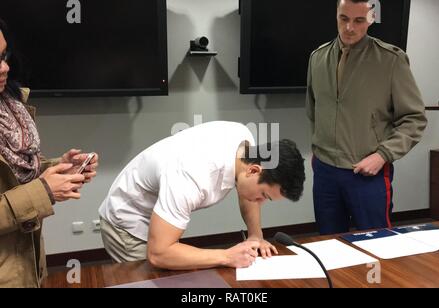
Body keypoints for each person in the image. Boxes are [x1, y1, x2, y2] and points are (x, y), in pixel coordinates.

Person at [99, 121, 305, 270]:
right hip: (128, 221)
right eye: (264, 196)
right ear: (254, 170)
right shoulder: (192, 175)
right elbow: (158, 254)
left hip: (158, 208)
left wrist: (255, 235)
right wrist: (226, 256)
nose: (260, 202)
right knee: (152, 281)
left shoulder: (246, 145)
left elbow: (247, 193)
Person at [306, 0, 427, 235]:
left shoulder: (391, 60)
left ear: (371, 19)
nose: (349, 27)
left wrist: (383, 155)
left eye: (359, 20)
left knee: (377, 244)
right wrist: (319, 150)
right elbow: (313, 109)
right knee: (330, 243)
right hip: (326, 172)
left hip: (367, 172)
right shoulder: (317, 58)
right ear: (337, 16)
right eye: (344, 18)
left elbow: (414, 119)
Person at [0, 19, 99, 287]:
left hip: (26, 267)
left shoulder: (12, 106)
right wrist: (44, 191)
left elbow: (12, 176)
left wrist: (56, 167)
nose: (5, 67)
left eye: (3, 55)